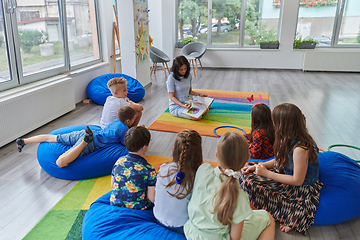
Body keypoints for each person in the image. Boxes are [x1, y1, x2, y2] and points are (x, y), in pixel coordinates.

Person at [240, 103, 323, 235]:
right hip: (284, 174)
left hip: (300, 189)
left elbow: (298, 180)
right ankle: (281, 211)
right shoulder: (285, 138)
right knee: (244, 171)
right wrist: (256, 167)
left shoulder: (300, 149)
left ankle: (293, 215)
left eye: (275, 122)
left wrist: (266, 173)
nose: (272, 125)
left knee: (251, 184)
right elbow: (279, 160)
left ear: (284, 125)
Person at [184, 131, 275, 240]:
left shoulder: (203, 169)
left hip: (191, 233)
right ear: (248, 158)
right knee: (268, 218)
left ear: (216, 155)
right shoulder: (239, 196)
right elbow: (235, 238)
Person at [16, 106, 136, 168]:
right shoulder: (124, 129)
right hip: (92, 142)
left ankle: (23, 141)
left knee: (51, 137)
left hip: (85, 133)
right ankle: (84, 142)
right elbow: (125, 144)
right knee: (60, 163)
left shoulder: (114, 122)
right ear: (128, 120)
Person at [153, 129, 203, 235]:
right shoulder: (197, 177)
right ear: (199, 153)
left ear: (174, 149)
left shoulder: (163, 168)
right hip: (182, 226)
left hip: (158, 218)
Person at [110, 126, 156, 210]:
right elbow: (152, 198)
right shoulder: (149, 169)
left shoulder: (119, 161)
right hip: (139, 208)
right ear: (145, 147)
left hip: (115, 204)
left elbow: (113, 185)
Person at [166, 56, 208, 120]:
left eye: (185, 68)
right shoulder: (171, 78)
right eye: (181, 69)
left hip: (188, 103)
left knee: (206, 110)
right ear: (176, 69)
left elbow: (190, 92)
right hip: (177, 106)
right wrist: (182, 105)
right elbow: (172, 97)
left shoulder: (188, 76)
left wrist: (199, 94)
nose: (184, 71)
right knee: (197, 117)